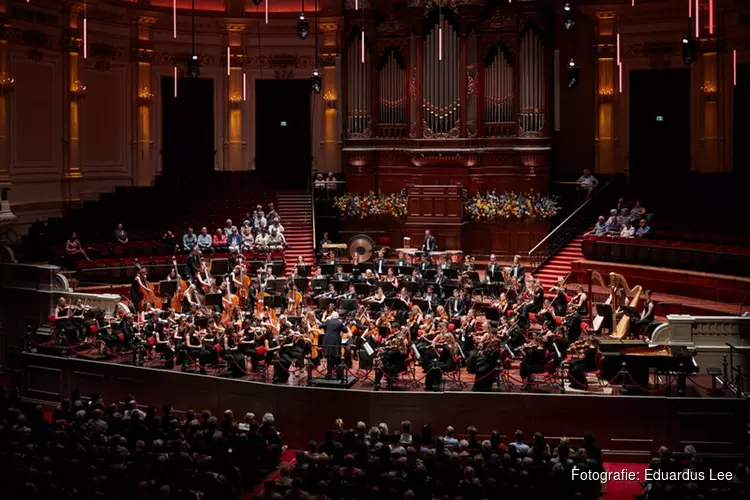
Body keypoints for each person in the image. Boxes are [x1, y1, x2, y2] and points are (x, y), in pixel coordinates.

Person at [321, 311, 345, 377]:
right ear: (337, 317)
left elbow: (320, 326)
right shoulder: (339, 323)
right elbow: (346, 330)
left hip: (328, 342)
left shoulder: (328, 321)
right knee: (337, 357)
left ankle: (329, 373)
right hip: (336, 343)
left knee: (329, 357)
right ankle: (339, 374)